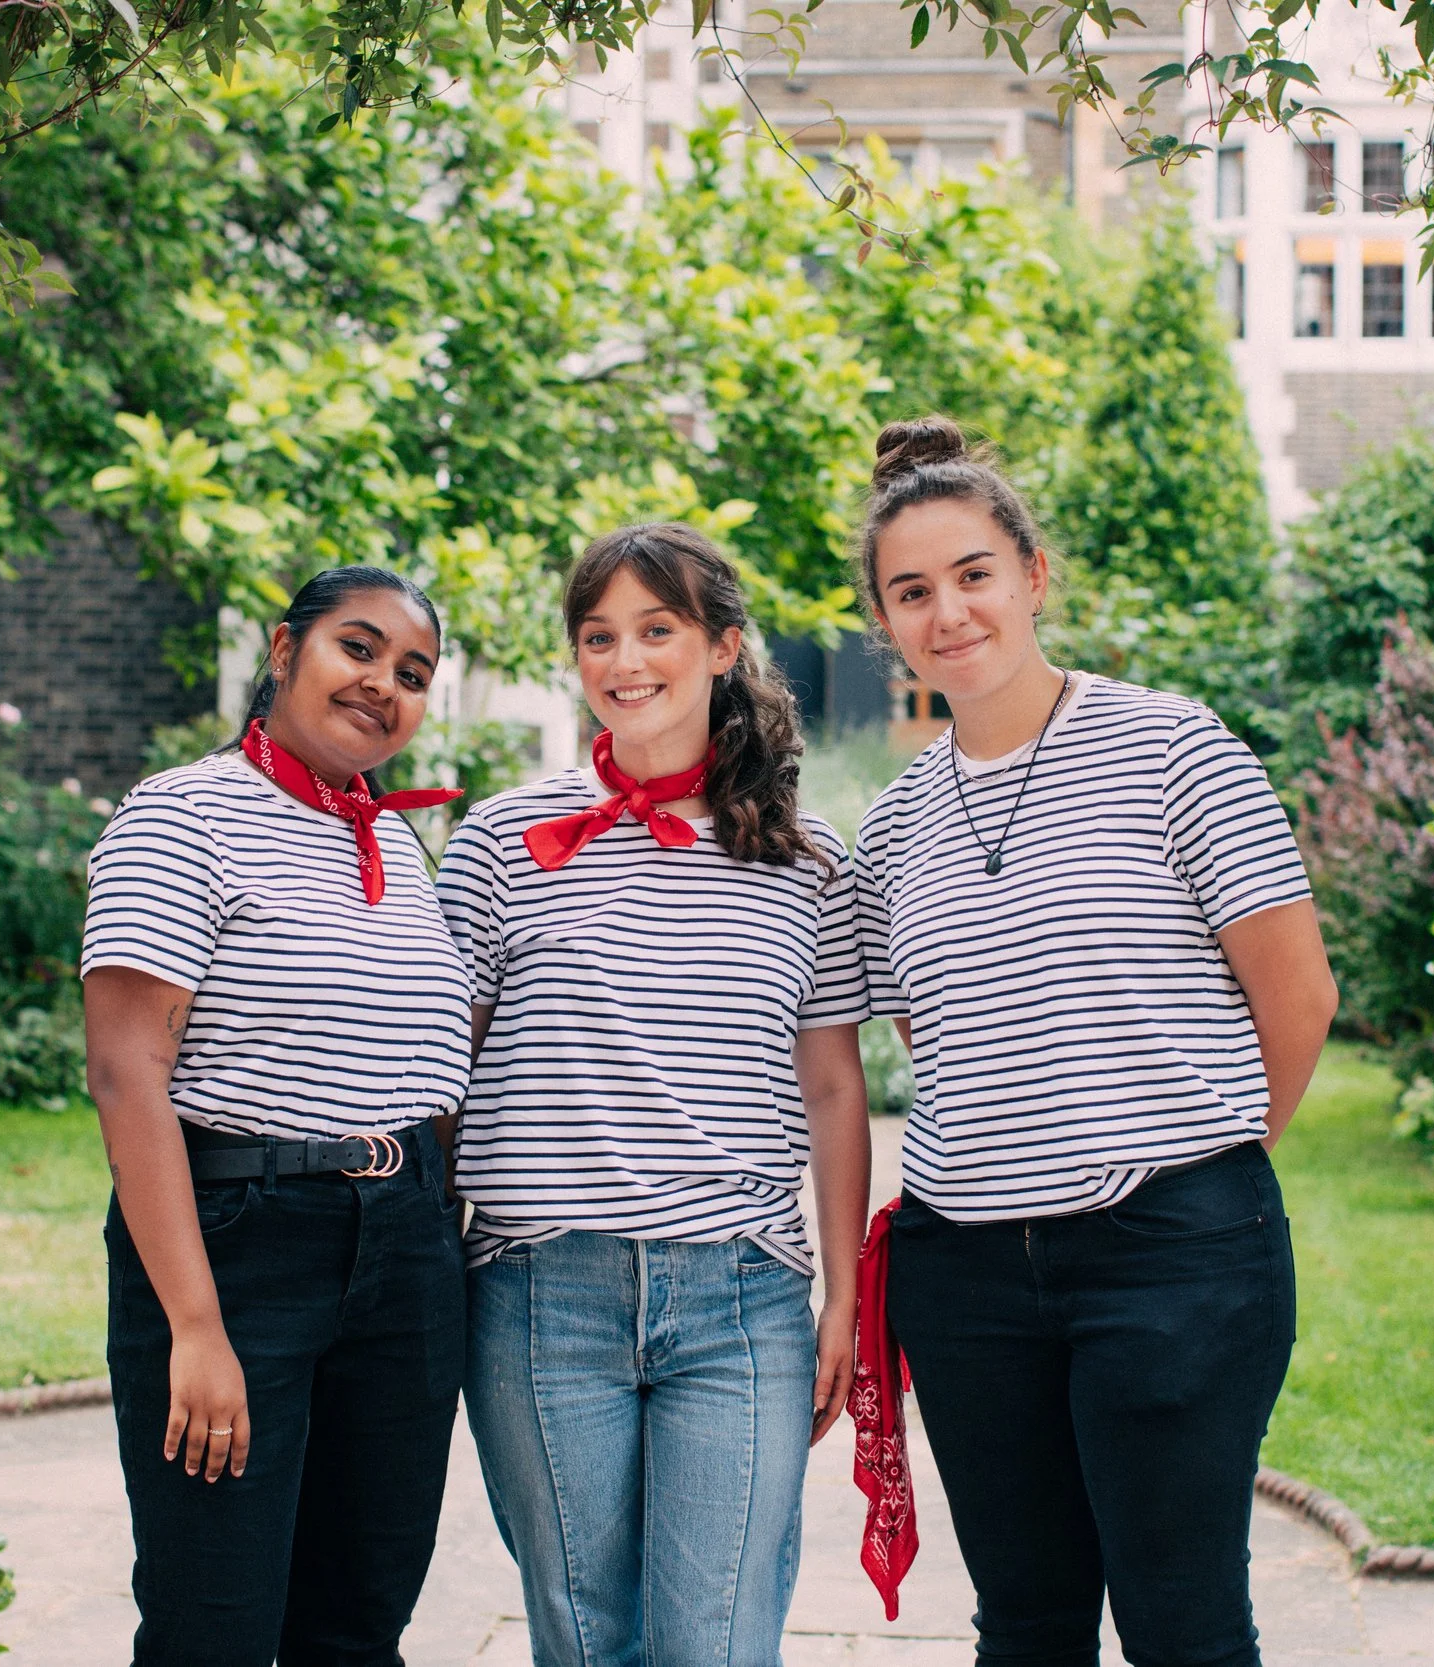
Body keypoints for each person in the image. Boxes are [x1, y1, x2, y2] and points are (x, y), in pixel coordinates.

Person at [850, 418, 1338, 1667]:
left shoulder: (1175, 747)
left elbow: (1298, 997)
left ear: (1030, 575)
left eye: (972, 574)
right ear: (885, 621)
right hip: (963, 1275)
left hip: (1172, 1255)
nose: (947, 611)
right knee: (1024, 1626)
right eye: (912, 592)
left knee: (1181, 1623)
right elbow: (939, 1033)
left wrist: (1196, 1160)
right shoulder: (896, 824)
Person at [436, 524, 874, 1667]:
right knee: (584, 1643)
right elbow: (444, 1072)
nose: (625, 660)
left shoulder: (806, 856)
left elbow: (832, 1087)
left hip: (739, 1296)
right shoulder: (498, 840)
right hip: (541, 1290)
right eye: (598, 636)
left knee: (718, 1644)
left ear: (723, 645)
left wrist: (839, 1299)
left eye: (657, 630)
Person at [79, 565, 472, 1666]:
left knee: (357, 1623)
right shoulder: (181, 813)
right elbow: (126, 1072)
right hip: (244, 1243)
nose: (382, 684)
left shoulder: (391, 840)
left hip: (405, 1250)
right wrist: (196, 1327)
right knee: (215, 1622)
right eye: (359, 647)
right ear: (283, 647)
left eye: (413, 672)